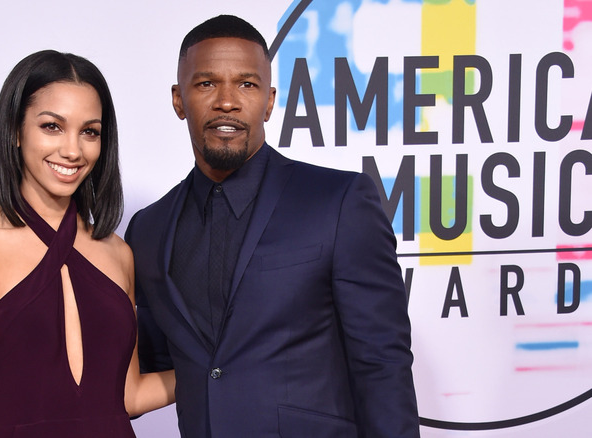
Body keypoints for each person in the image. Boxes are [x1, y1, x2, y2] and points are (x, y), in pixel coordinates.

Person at [125, 15, 420, 437]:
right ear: (178, 99)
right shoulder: (149, 229)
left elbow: (382, 362)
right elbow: (154, 363)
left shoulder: (339, 201)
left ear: (269, 100)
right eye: (206, 83)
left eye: (246, 84)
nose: (227, 101)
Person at [0, 50, 174, 438]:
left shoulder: (116, 252)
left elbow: (127, 395)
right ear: (15, 129)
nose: (73, 151)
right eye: (52, 127)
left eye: (89, 132)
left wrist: (214, 369)